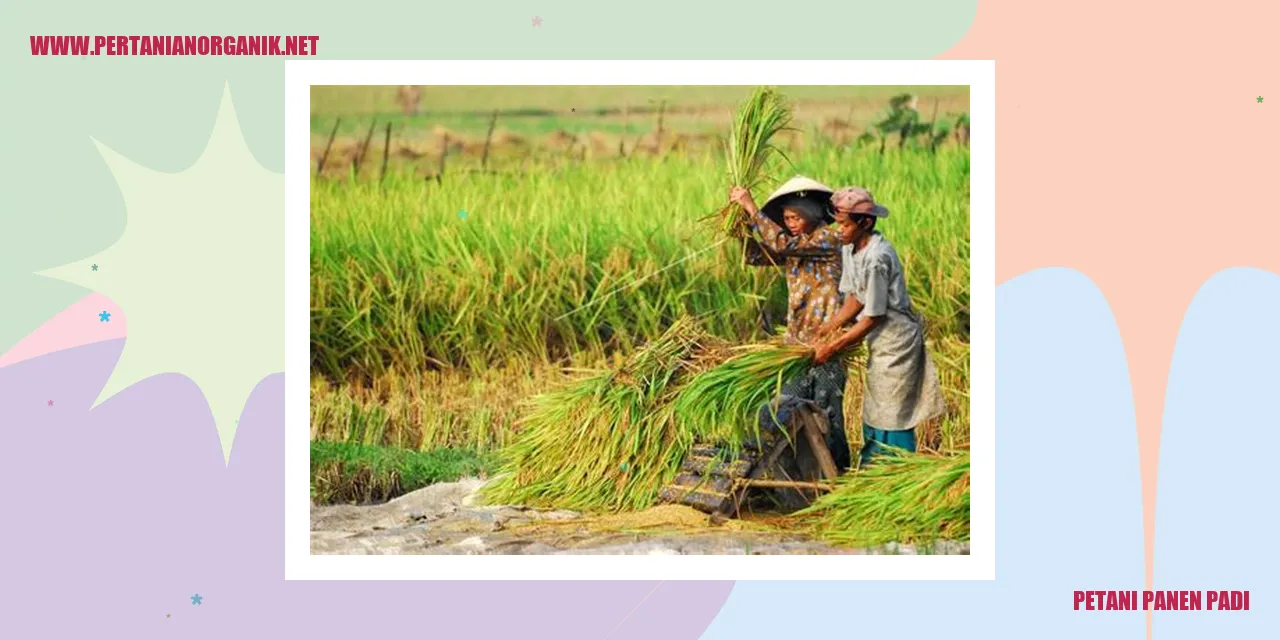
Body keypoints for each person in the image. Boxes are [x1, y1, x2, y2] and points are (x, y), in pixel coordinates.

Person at [813, 187, 945, 468]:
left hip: (897, 341)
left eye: (846, 225)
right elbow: (856, 297)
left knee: (893, 408)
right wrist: (830, 327)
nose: (840, 230)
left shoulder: (877, 258)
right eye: (838, 223)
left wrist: (834, 346)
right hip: (877, 340)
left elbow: (873, 314)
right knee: (875, 405)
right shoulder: (850, 248)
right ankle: (874, 468)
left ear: (866, 223)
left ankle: (896, 470)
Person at [729, 176, 851, 472]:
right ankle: (804, 478)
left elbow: (780, 243)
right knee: (793, 408)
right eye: (786, 218)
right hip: (797, 343)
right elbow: (759, 255)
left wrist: (749, 206)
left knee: (827, 412)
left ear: (810, 214)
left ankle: (838, 475)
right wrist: (739, 229)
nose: (791, 222)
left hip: (827, 343)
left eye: (796, 216)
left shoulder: (826, 239)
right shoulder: (796, 248)